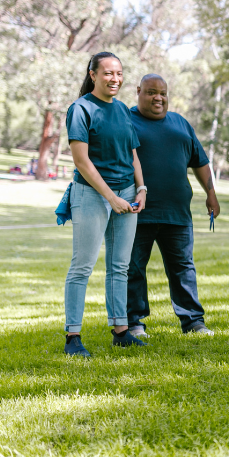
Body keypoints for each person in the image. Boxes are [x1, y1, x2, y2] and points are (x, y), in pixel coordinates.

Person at [63, 51, 148, 356]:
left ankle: (121, 330)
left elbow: (133, 154)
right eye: (108, 73)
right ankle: (73, 337)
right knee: (82, 266)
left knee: (120, 266)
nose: (115, 79)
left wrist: (141, 189)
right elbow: (82, 161)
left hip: (127, 194)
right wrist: (110, 198)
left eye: (119, 73)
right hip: (91, 194)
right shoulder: (80, 109)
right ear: (93, 74)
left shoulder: (124, 110)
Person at [126, 74, 220, 338]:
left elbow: (200, 161)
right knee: (133, 268)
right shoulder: (126, 120)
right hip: (138, 211)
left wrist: (211, 194)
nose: (159, 98)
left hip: (177, 212)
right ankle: (134, 324)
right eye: (151, 92)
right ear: (138, 92)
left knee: (183, 267)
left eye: (163, 93)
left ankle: (193, 322)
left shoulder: (180, 122)